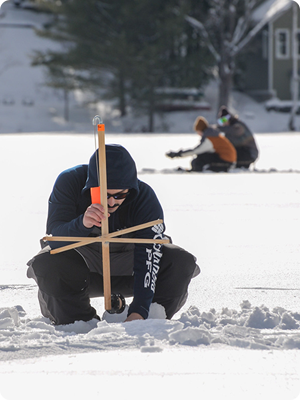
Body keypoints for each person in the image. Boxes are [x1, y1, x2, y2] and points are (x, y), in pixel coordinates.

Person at [27, 144, 200, 325]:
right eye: (105, 194)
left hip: (129, 266)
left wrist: (140, 310)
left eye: (120, 195)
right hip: (81, 266)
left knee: (180, 261)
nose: (111, 202)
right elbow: (55, 239)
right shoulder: (69, 182)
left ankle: (151, 319)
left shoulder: (144, 198)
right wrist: (82, 224)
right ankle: (79, 323)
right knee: (46, 261)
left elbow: (149, 255)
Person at [166, 116, 237, 172]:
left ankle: (196, 169)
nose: (198, 134)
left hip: (227, 162)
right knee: (202, 156)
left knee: (200, 157)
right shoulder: (212, 134)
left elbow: (196, 151)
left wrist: (178, 154)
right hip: (228, 160)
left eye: (198, 131)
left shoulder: (210, 138)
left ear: (200, 130)